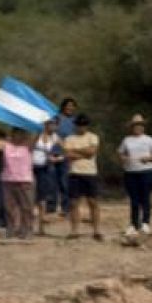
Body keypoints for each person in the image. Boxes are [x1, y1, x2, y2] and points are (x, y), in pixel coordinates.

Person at [0, 126, 36, 240]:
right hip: (7, 180)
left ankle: (27, 229)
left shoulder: (28, 146)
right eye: (16, 133)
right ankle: (11, 229)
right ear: (13, 134)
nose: (18, 136)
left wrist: (40, 124)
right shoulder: (6, 145)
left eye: (21, 133)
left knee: (26, 207)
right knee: (9, 207)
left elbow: (37, 135)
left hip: (24, 180)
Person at [117, 114, 152, 236]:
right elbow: (120, 153)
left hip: (147, 171)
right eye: (136, 125)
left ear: (143, 127)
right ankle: (134, 224)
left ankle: (146, 223)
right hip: (130, 172)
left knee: (145, 198)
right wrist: (124, 158)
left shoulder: (149, 139)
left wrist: (149, 158)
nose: (138, 127)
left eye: (140, 125)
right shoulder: (126, 140)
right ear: (132, 127)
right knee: (134, 199)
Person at [64, 113, 102, 241]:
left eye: (84, 125)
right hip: (75, 173)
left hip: (90, 173)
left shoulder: (93, 137)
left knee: (93, 202)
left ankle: (96, 230)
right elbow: (68, 155)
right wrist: (84, 152)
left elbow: (92, 152)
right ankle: (74, 231)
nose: (81, 127)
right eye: (79, 125)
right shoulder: (69, 138)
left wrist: (77, 150)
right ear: (76, 125)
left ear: (87, 125)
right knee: (74, 203)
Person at [32, 118, 61, 236]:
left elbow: (65, 149)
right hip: (30, 167)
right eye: (52, 124)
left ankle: (41, 227)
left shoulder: (55, 137)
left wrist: (57, 158)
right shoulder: (37, 134)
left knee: (42, 197)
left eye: (55, 124)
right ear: (46, 124)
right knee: (30, 195)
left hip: (44, 168)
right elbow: (29, 147)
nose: (54, 126)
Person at [53, 98, 77, 215]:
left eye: (72, 106)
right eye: (68, 106)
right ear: (63, 107)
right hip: (53, 153)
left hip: (67, 154)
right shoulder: (56, 117)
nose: (70, 108)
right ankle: (50, 207)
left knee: (65, 181)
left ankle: (66, 208)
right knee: (51, 181)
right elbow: (50, 130)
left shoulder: (75, 121)